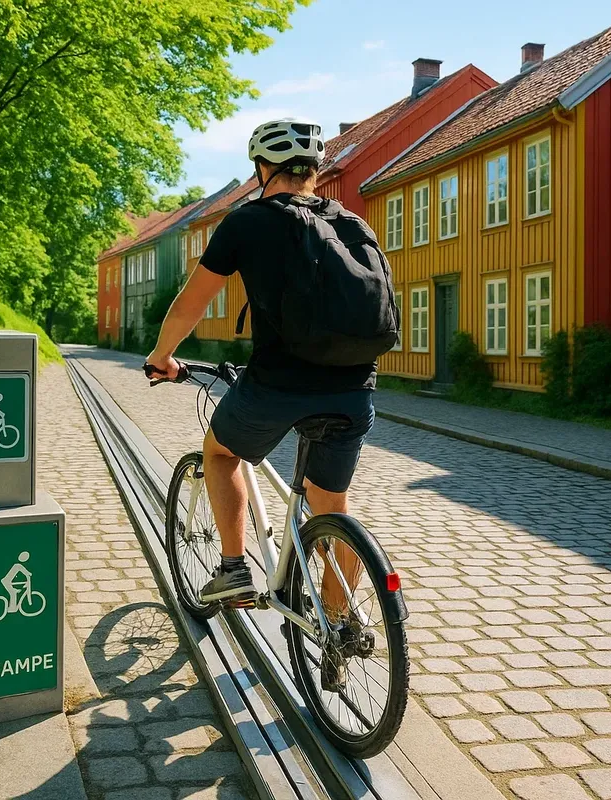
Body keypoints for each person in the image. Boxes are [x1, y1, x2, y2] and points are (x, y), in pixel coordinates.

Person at [145, 118, 378, 619]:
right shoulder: (351, 223)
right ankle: (338, 629)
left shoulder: (248, 221)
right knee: (332, 510)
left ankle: (232, 569)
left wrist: (162, 356)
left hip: (278, 384)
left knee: (221, 452)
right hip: (354, 389)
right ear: (314, 171)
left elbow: (190, 305)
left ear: (261, 169)